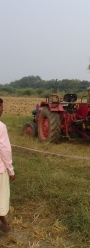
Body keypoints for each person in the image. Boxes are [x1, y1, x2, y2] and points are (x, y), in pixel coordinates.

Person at [0, 98, 15, 233]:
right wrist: (11, 170)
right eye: (1, 107)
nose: (3, 110)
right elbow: (5, 150)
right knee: (1, 196)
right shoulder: (1, 126)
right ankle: (4, 223)